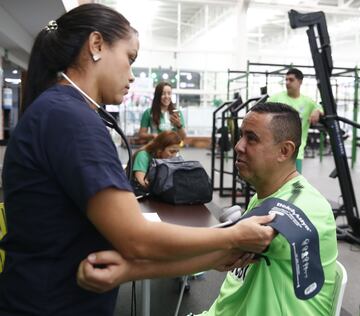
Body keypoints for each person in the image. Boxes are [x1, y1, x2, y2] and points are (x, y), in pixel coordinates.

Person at [0, 4, 275, 316]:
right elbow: (136, 240)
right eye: (129, 58)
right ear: (96, 45)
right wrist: (232, 235)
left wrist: (218, 254)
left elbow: (126, 243)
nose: (131, 75)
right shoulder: (70, 119)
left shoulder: (57, 111)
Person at [76, 103, 338, 316]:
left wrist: (129, 271)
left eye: (251, 138)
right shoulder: (263, 198)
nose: (238, 146)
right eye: (241, 136)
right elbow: (225, 254)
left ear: (284, 151)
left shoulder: (304, 204)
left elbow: (226, 250)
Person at [268, 68, 323, 173]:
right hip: (275, 149)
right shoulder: (276, 98)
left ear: (300, 82)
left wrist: (318, 111)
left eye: (291, 80)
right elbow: (260, 111)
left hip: (296, 151)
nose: (287, 82)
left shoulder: (308, 102)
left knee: (294, 185)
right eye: (286, 80)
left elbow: (322, 109)